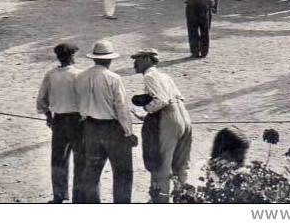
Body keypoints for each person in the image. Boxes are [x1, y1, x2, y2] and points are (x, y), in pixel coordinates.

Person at [75, 40, 137, 203]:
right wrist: (128, 132)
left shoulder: (81, 76)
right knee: (122, 172)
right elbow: (121, 108)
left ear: (94, 58)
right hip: (112, 129)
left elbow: (78, 101)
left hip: (90, 127)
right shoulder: (114, 78)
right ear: (110, 59)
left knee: (92, 171)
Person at [131, 49, 192, 203]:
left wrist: (147, 109)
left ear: (147, 59)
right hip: (184, 116)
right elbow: (176, 98)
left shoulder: (150, 76)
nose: (134, 63)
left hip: (169, 118)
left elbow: (161, 101)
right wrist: (148, 115)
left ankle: (160, 201)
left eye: (137, 59)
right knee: (181, 164)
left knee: (162, 164)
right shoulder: (165, 76)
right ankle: (182, 200)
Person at [36, 43, 83, 203]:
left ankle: (59, 196)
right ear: (71, 56)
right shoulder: (79, 74)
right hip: (78, 121)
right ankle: (79, 197)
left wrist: (49, 116)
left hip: (59, 120)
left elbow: (41, 100)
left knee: (58, 159)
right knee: (80, 159)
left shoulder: (51, 75)